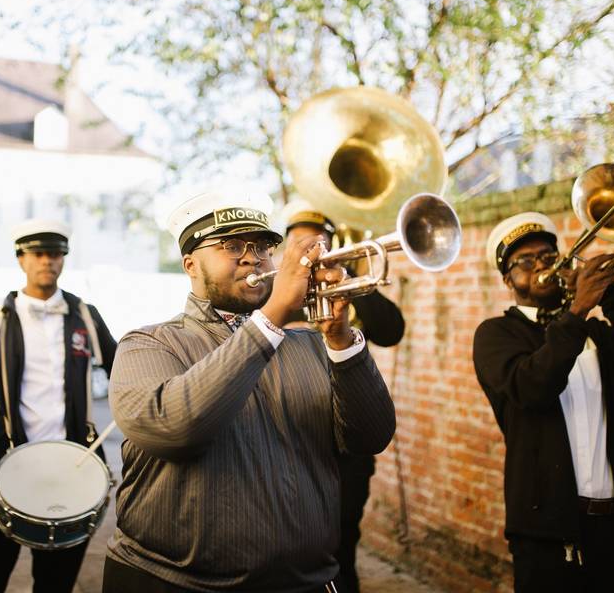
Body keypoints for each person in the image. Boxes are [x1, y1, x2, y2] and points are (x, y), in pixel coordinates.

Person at [103, 189, 397, 593]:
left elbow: (371, 437)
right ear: (190, 264)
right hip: (174, 583)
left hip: (304, 584)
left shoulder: (312, 346)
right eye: (232, 245)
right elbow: (175, 427)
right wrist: (274, 314)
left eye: (262, 246)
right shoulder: (149, 344)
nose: (252, 257)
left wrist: (341, 338)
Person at [473, 212, 614, 592]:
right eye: (525, 261)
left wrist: (611, 297)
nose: (540, 265)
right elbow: (533, 387)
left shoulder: (592, 332)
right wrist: (578, 309)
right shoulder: (496, 335)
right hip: (546, 529)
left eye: (549, 256)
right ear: (507, 280)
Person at [0, 218, 117, 593]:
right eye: (38, 253)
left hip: (74, 464)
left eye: (55, 254)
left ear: (63, 259)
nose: (47, 261)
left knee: (56, 584)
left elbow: (123, 369)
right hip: (5, 460)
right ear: (21, 259)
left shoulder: (86, 316)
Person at [281, 201, 405, 593]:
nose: (311, 249)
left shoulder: (346, 286)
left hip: (348, 445)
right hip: (292, 441)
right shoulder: (272, 291)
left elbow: (392, 330)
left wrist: (348, 277)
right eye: (300, 241)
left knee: (342, 546)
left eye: (320, 242)